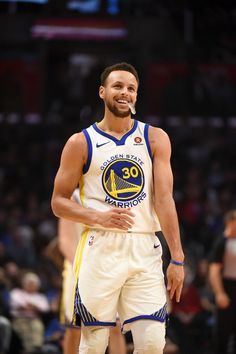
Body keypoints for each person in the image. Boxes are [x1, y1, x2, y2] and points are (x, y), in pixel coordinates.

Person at [51, 62, 185, 354]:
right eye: (118, 86)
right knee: (95, 343)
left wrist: (177, 257)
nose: (125, 93)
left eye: (131, 88)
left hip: (145, 246)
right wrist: (98, 216)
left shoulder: (155, 138)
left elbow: (165, 200)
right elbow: (58, 202)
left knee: (152, 343)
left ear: (136, 95)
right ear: (102, 92)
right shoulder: (80, 142)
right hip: (100, 247)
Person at [58, 189, 127, 354]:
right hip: (78, 268)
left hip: (110, 268)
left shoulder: (117, 195)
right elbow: (65, 241)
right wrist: (83, 267)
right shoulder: (73, 197)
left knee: (115, 327)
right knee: (75, 328)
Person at [209, 209, 236, 354]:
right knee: (223, 333)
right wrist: (219, 293)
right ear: (229, 223)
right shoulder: (222, 242)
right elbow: (214, 271)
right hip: (227, 288)